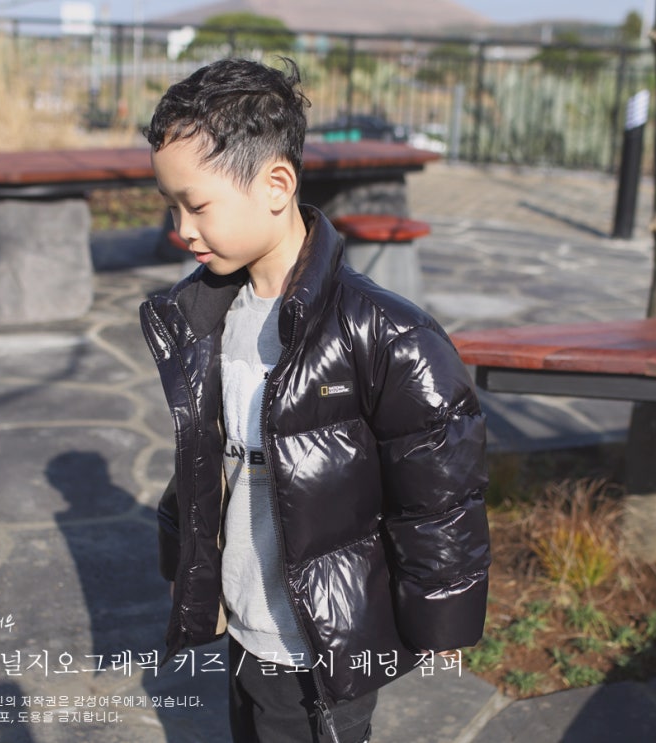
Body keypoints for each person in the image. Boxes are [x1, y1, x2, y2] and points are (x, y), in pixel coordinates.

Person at [139, 58, 491, 743]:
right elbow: (205, 461)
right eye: (171, 206)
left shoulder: (385, 333)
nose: (181, 228)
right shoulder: (205, 317)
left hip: (324, 642)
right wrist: (187, 566)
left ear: (276, 185)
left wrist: (440, 620)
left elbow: (438, 495)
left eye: (197, 205)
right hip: (245, 622)